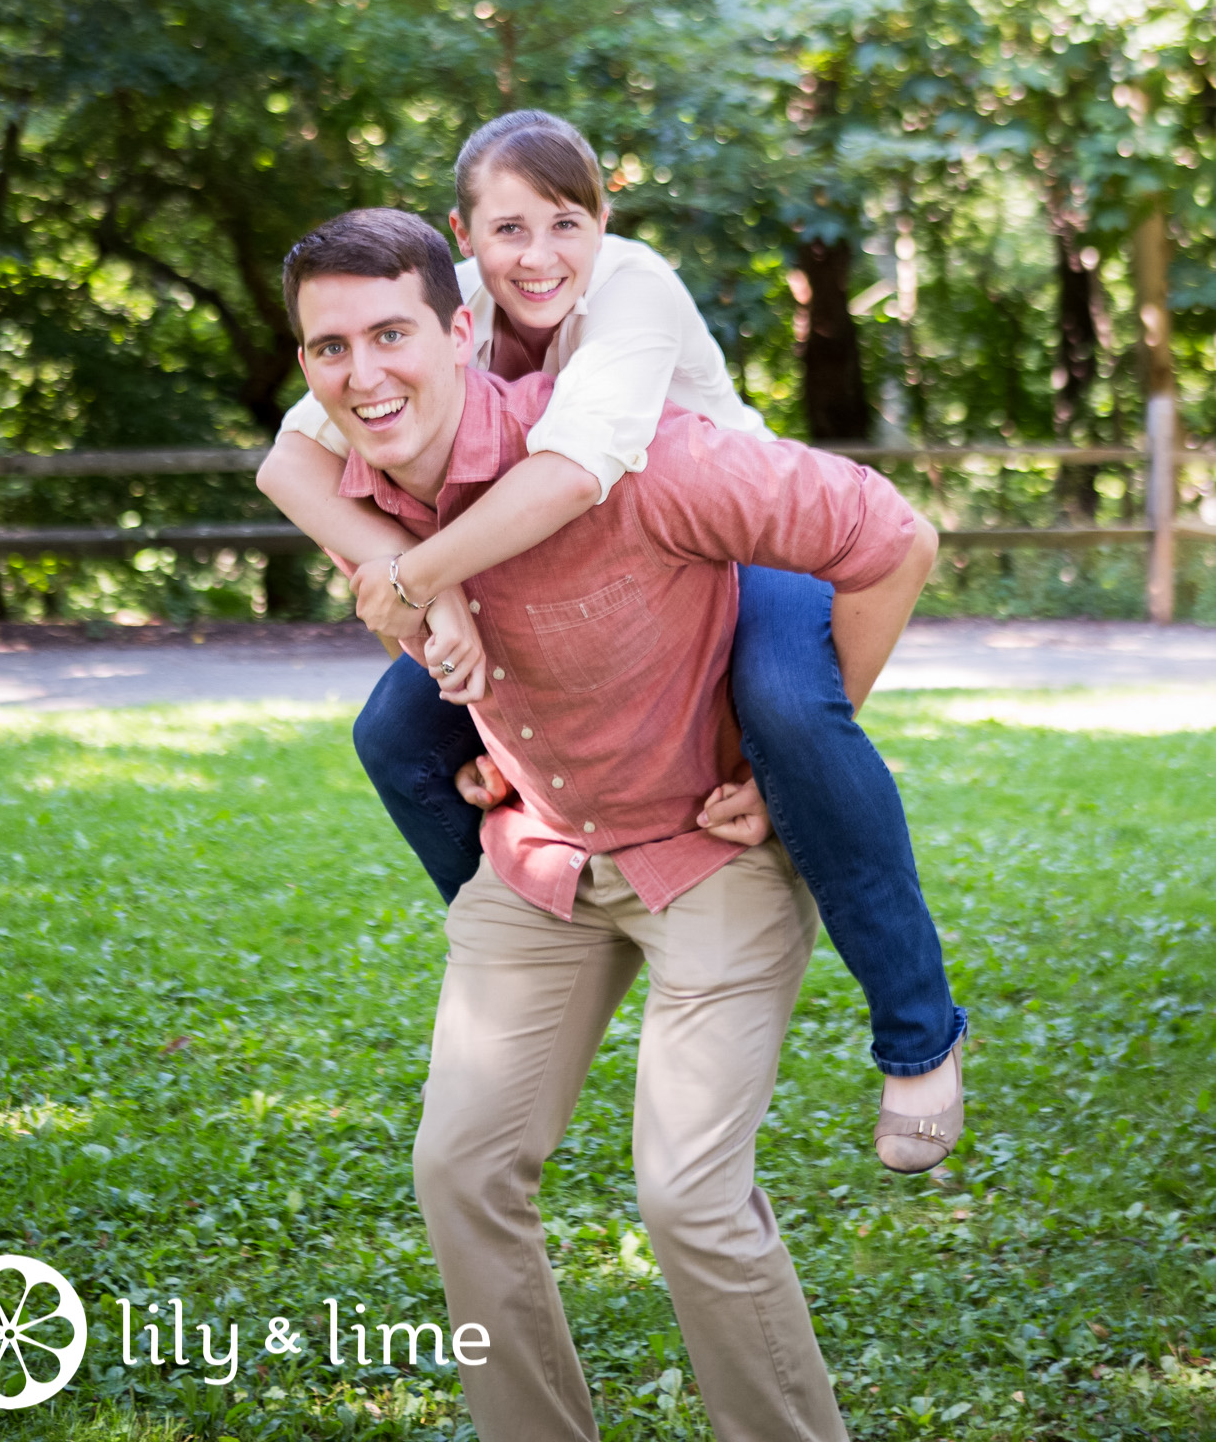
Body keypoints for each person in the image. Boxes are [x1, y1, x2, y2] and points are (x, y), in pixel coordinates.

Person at [279, 205, 942, 1442]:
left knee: (687, 1197)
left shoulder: (638, 449)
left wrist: (802, 740)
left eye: (391, 334)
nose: (364, 374)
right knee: (459, 1172)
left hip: (706, 855)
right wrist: (412, 590)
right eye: (330, 349)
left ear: (464, 328)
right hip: (535, 860)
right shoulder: (360, 489)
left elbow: (894, 534)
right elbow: (293, 470)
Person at [257, 113, 964, 1171]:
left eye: (565, 222)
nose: (537, 255)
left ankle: (918, 1033)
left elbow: (578, 468)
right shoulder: (432, 309)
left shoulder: (629, 291)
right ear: (465, 235)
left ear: (604, 222)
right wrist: (425, 594)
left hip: (731, 537)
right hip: (535, 562)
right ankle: (548, 933)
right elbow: (288, 468)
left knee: (785, 712)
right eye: (506, 229)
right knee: (396, 738)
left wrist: (416, 575)